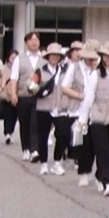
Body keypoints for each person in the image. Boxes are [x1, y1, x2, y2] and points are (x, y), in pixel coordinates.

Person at [74, 42, 109, 197]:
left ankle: (100, 175)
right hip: (97, 118)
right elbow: (88, 98)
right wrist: (83, 119)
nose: (107, 58)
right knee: (102, 150)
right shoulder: (95, 75)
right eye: (105, 55)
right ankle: (108, 182)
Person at [61, 45, 96, 187]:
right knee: (83, 144)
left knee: (95, 144)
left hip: (95, 111)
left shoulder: (100, 70)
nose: (91, 60)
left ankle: (99, 174)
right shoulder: (74, 67)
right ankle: (83, 172)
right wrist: (81, 96)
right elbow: (65, 87)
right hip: (78, 109)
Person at [31, 43, 69, 174]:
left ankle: (57, 162)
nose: (55, 57)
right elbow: (31, 87)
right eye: (52, 55)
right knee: (43, 135)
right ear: (48, 56)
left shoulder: (65, 71)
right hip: (44, 106)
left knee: (63, 134)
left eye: (57, 55)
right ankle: (44, 163)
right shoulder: (40, 71)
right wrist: (41, 91)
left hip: (60, 108)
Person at [8, 31, 45, 155]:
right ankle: (26, 148)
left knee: (35, 122)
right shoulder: (19, 59)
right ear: (26, 42)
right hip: (23, 95)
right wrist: (13, 94)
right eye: (31, 40)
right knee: (24, 122)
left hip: (39, 97)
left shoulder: (44, 59)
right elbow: (14, 78)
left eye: (36, 40)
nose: (34, 42)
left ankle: (35, 149)